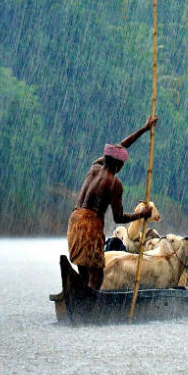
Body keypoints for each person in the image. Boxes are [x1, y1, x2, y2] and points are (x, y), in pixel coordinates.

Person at [67, 116, 158, 288]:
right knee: (97, 271)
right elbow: (119, 218)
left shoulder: (95, 167)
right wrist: (142, 214)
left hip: (75, 219)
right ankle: (91, 304)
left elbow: (120, 147)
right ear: (119, 164)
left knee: (83, 265)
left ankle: (84, 297)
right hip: (90, 223)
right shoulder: (114, 183)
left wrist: (145, 128)